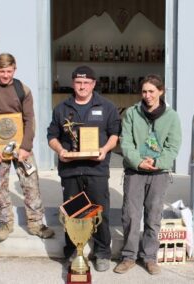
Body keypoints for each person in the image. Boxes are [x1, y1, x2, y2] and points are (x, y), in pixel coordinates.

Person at [47, 65, 121, 272]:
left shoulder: (106, 107)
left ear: (93, 84)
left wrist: (105, 149)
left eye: (86, 83)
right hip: (70, 170)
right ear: (73, 83)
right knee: (72, 214)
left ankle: (102, 253)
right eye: (78, 83)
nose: (82, 86)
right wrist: (60, 150)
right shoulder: (61, 109)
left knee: (100, 213)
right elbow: (51, 136)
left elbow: (115, 134)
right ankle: (72, 251)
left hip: (96, 169)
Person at [0, 53, 54, 242]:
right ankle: (5, 223)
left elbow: (30, 120)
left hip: (22, 146)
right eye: (2, 71)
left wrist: (26, 147)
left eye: (9, 71)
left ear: (15, 69)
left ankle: (36, 223)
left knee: (31, 184)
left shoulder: (23, 90)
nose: (6, 75)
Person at [113, 74, 181, 275]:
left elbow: (173, 145)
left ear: (161, 91)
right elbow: (125, 142)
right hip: (135, 171)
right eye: (144, 91)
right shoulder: (132, 113)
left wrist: (158, 162)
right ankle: (128, 256)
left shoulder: (172, 116)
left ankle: (150, 257)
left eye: (152, 91)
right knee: (131, 215)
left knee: (153, 215)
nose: (148, 95)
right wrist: (138, 161)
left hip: (159, 173)